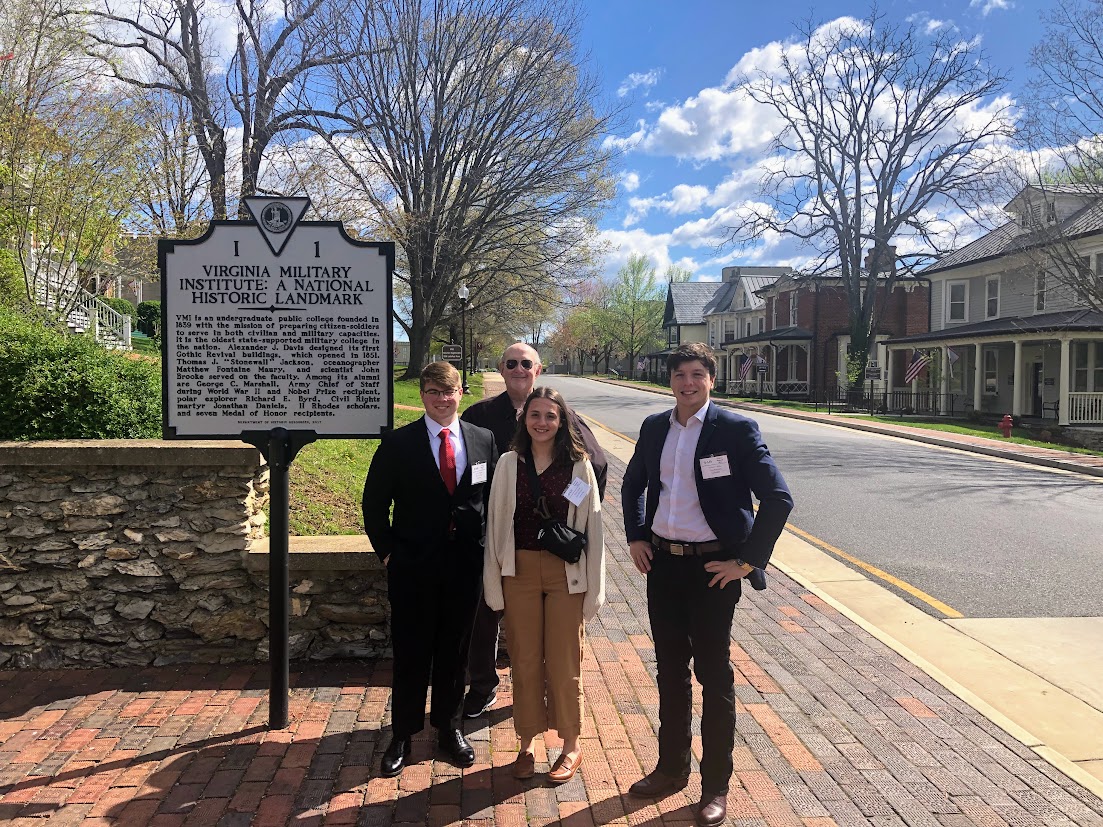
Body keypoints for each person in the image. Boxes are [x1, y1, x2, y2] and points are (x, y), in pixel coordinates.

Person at [621, 343, 793, 827]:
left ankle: (715, 785)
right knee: (669, 671)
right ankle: (670, 768)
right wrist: (637, 536)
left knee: (713, 675)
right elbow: (634, 484)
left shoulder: (735, 429)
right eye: (679, 374)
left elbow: (778, 498)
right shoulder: (655, 427)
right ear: (669, 380)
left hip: (714, 571)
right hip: (663, 567)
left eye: (697, 374)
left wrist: (747, 560)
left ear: (711, 380)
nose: (687, 383)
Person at [362, 361, 498, 778]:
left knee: (455, 652)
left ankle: (448, 728)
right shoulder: (398, 443)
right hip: (413, 566)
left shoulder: (482, 439)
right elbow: (373, 504)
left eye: (449, 391)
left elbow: (492, 498)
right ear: (422, 395)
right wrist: (389, 554)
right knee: (411, 652)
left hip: (465, 566)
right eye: (434, 392)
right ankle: (402, 734)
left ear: (461, 393)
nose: (442, 399)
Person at [460, 342, 608, 718]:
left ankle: (544, 688)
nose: (519, 369)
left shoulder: (559, 412)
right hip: (491, 531)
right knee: (485, 611)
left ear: (537, 370)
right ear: (501, 368)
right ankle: (483, 685)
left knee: (548, 624)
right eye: (511, 363)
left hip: (545, 544)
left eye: (526, 363)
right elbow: (465, 469)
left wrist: (570, 513)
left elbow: (595, 464)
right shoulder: (479, 414)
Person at [483, 386, 604, 783]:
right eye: (535, 414)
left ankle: (571, 745)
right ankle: (527, 742)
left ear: (562, 421)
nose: (542, 422)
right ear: (525, 419)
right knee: (525, 660)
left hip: (565, 572)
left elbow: (592, 527)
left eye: (551, 416)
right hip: (518, 569)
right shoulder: (508, 464)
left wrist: (594, 586)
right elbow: (496, 523)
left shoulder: (578, 467)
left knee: (565, 661)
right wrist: (494, 578)